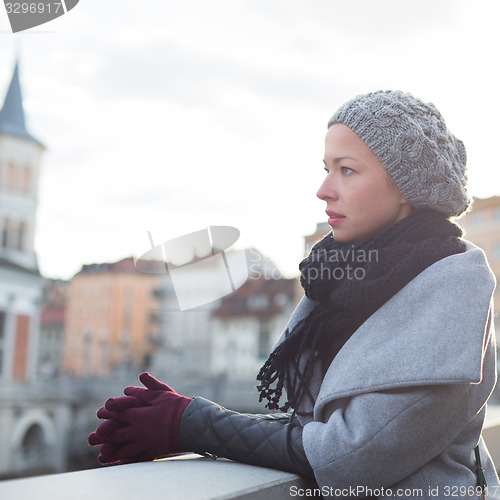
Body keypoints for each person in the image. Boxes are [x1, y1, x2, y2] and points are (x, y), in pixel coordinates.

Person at [89, 90, 499, 499]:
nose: (323, 189)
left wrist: (193, 423)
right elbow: (314, 425)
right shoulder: (341, 279)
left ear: (408, 185)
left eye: (347, 171)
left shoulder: (452, 294)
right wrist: (187, 420)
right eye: (326, 169)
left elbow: (348, 455)